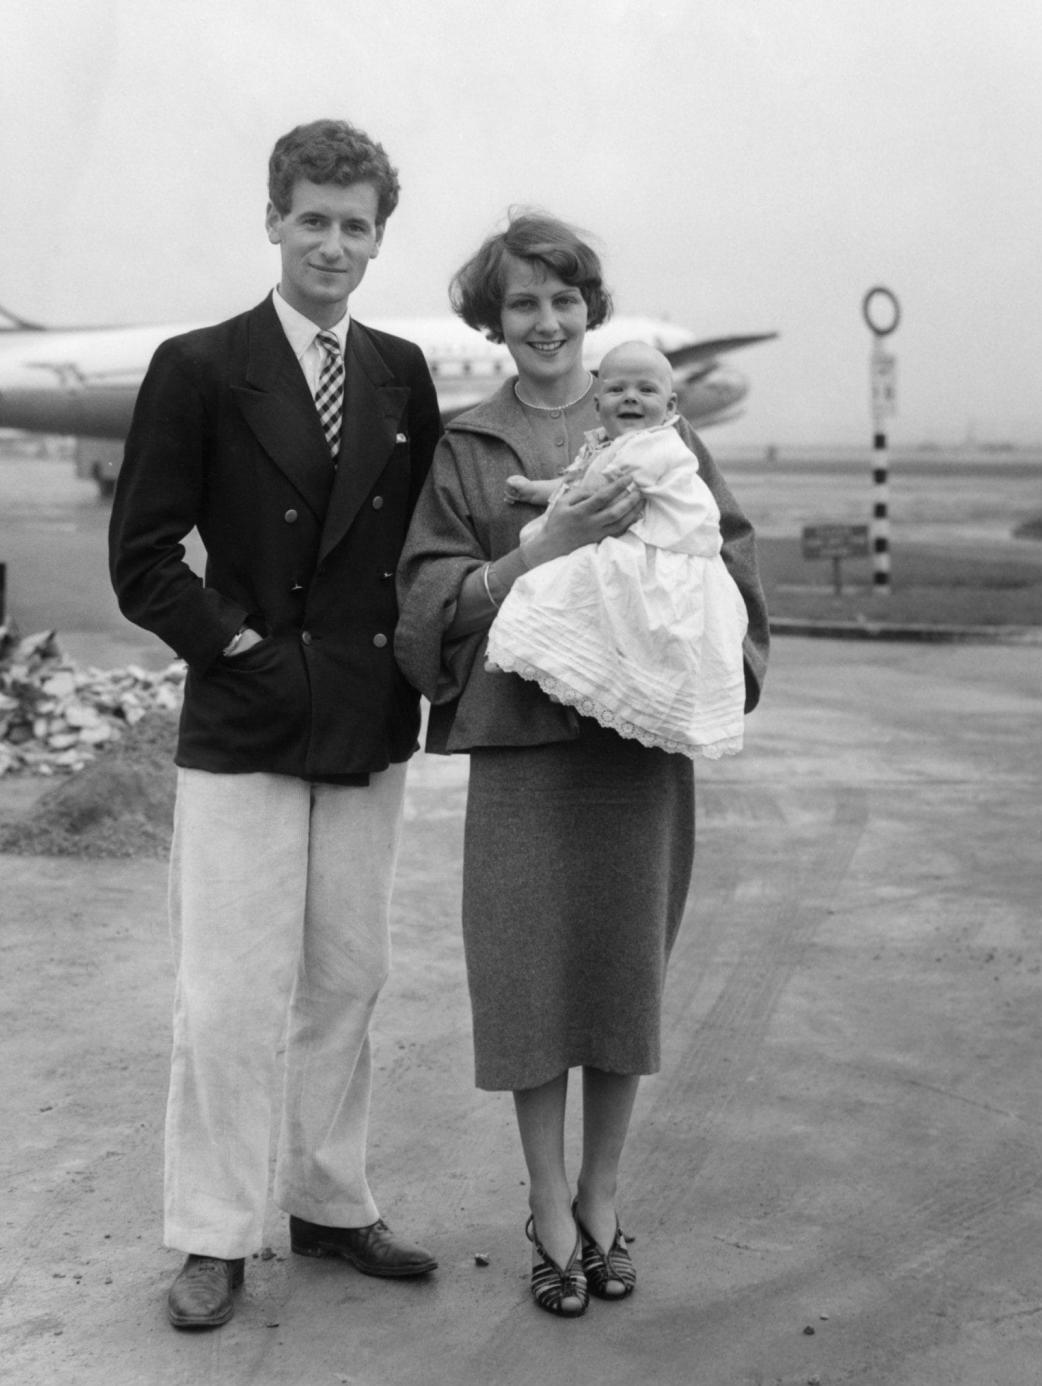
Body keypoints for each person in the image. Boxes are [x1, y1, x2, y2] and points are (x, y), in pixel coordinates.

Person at [395, 212, 768, 1318]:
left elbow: (733, 569)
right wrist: (538, 552)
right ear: (493, 320)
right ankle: (547, 1204)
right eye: (523, 303)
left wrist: (721, 662)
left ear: (590, 312)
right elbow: (425, 611)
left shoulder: (667, 433)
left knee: (619, 979)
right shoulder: (468, 449)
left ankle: (605, 1197)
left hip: (636, 755)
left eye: (564, 301)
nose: (547, 321)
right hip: (521, 754)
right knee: (527, 982)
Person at [109, 118, 443, 1331]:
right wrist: (234, 643)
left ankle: (327, 1200)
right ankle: (211, 1235)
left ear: (377, 238)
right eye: (314, 218)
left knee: (350, 977)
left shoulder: (404, 371)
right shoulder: (200, 365)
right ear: (273, 220)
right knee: (226, 990)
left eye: (356, 226)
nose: (334, 244)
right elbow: (143, 559)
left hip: (364, 717)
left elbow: (427, 543)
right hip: (246, 717)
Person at [485, 339, 750, 760]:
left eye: (646, 390)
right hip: (643, 549)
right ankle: (577, 678)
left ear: (670, 405)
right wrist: (539, 490)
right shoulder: (612, 448)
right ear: (597, 404)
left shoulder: (654, 445)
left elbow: (591, 490)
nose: (630, 397)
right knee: (605, 610)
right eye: (616, 390)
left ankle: (572, 673)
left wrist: (548, 526)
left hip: (661, 559)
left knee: (573, 590)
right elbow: (579, 479)